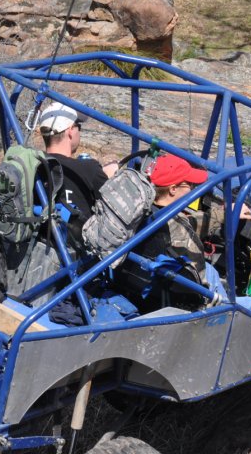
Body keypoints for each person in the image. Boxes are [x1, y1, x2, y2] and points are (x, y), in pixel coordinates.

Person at [121, 154, 213, 310]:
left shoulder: (137, 212)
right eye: (190, 184)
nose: (193, 189)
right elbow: (200, 288)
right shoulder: (181, 233)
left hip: (140, 289)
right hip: (190, 301)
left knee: (213, 271)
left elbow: (188, 221)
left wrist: (220, 215)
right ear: (173, 189)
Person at [37, 100, 117, 247]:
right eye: (78, 127)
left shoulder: (34, 165)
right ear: (70, 131)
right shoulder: (89, 169)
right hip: (80, 259)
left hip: (40, 248)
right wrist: (110, 176)